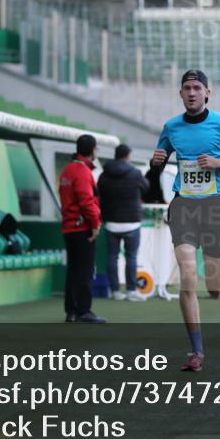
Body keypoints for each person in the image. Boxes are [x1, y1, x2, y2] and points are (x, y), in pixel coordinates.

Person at [150, 69, 220, 372]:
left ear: (208, 92)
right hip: (183, 205)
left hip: (214, 207)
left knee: (215, 288)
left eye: (197, 88)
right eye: (186, 88)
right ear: (180, 94)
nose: (192, 93)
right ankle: (196, 351)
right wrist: (155, 163)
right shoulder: (171, 127)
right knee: (186, 275)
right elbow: (156, 169)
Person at [59, 134, 106, 324]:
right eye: (96, 148)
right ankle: (83, 310)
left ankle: (71, 311)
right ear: (91, 150)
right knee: (85, 271)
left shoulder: (67, 170)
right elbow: (87, 202)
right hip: (82, 228)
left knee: (73, 271)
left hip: (69, 227)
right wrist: (95, 224)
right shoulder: (83, 172)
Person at [98, 143, 149, 302]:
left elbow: (98, 192)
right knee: (131, 257)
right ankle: (131, 291)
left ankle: (115, 291)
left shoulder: (104, 175)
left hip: (111, 221)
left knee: (112, 257)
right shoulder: (135, 172)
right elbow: (146, 188)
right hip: (132, 221)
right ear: (127, 156)